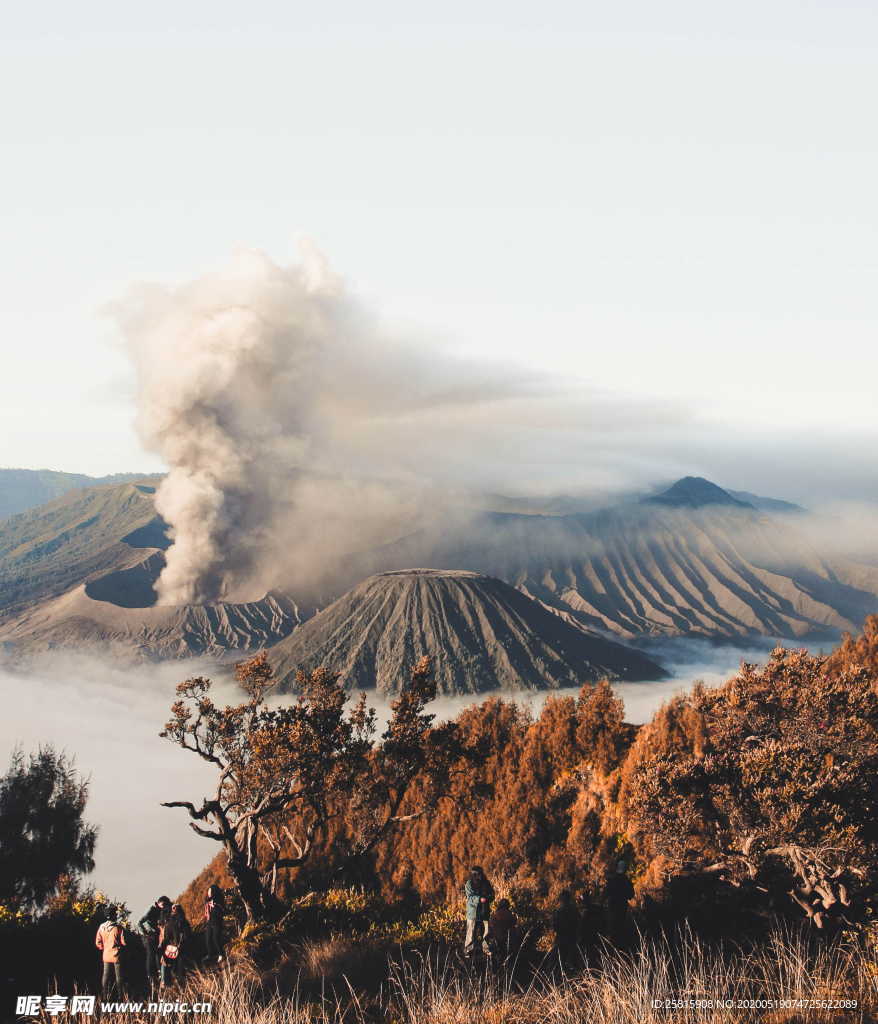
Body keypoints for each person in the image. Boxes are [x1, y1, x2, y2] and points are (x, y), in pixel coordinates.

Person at [138, 896, 171, 986]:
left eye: (165, 905)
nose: (163, 906)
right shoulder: (152, 909)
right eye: (162, 904)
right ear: (158, 903)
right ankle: (150, 977)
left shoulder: (162, 910)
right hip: (149, 936)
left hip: (155, 935)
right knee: (150, 955)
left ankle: (158, 974)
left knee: (157, 953)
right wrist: (145, 933)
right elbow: (139, 922)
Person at [95, 906, 126, 999]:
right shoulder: (118, 928)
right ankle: (120, 997)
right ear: (113, 915)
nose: (116, 914)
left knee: (105, 976)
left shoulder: (101, 927)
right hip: (116, 955)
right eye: (115, 913)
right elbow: (124, 942)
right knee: (119, 977)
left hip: (106, 955)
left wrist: (103, 948)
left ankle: (104, 996)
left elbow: (98, 942)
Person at [464, 866, 494, 957]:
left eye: (480, 874)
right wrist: (480, 899)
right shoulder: (469, 884)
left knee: (486, 931)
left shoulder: (486, 883)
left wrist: (488, 898)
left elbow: (492, 894)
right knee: (471, 932)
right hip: (473, 912)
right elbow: (470, 898)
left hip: (484, 911)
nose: (479, 876)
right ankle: (468, 950)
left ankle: (486, 949)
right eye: (477, 874)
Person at [159, 904, 190, 988]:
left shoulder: (171, 922)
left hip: (173, 948)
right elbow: (187, 935)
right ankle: (177, 984)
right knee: (179, 970)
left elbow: (166, 938)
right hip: (179, 948)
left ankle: (165, 983)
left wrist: (163, 950)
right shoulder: (183, 921)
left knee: (166, 964)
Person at [605, 860, 635, 945]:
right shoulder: (627, 881)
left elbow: (606, 893)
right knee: (621, 927)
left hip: (612, 907)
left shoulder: (612, 880)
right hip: (622, 907)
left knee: (612, 928)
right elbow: (631, 895)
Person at [552, 890, 580, 968]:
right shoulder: (574, 910)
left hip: (564, 937)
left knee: (561, 960)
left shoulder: (558, 911)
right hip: (570, 937)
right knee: (569, 959)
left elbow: (555, 925)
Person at [487, 898, 518, 963]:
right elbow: (514, 923)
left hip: (495, 942)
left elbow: (489, 930)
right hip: (506, 943)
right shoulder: (509, 915)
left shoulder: (493, 915)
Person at [204, 884, 226, 964]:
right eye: (208, 891)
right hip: (209, 921)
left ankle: (221, 954)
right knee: (208, 939)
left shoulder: (218, 899)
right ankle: (210, 954)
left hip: (217, 921)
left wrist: (215, 906)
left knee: (216, 938)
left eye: (210, 891)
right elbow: (206, 912)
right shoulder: (207, 900)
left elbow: (222, 910)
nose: (208, 893)